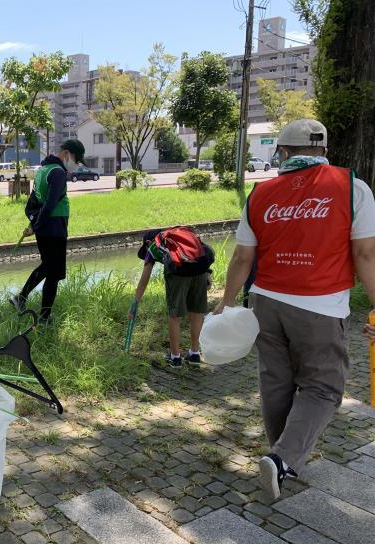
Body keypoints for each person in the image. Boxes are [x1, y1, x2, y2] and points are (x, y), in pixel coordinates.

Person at [215, 119, 375, 501]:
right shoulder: (353, 188)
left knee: (276, 382)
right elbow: (365, 253)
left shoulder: (262, 193)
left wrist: (227, 300)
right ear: (323, 151)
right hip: (319, 304)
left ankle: (279, 457)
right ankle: (283, 458)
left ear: (283, 153)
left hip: (266, 301)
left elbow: (241, 257)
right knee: (323, 387)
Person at [10, 139, 85, 322]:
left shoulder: (43, 170)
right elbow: (50, 205)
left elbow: (34, 203)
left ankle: (43, 315)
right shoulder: (58, 172)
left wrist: (34, 224)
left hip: (45, 228)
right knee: (52, 270)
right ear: (66, 153)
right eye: (76, 159)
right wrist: (35, 227)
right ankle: (23, 298)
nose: (76, 164)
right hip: (54, 228)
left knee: (51, 271)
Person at [131, 227, 212, 367]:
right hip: (200, 270)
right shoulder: (182, 234)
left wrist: (135, 302)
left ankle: (175, 358)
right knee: (196, 312)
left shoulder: (153, 245)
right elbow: (201, 250)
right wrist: (208, 273)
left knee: (175, 316)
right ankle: (194, 354)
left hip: (178, 273)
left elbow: (144, 280)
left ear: (148, 242)